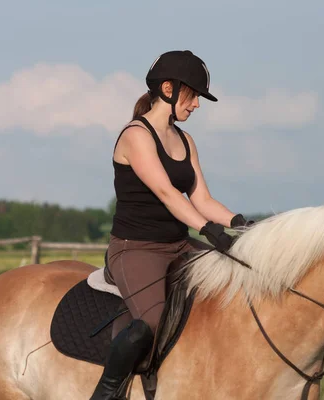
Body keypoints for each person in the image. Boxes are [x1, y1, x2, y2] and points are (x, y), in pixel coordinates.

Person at [91, 50, 252, 400]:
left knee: (233, 290)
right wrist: (208, 230)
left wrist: (239, 223)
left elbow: (202, 199)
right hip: (137, 248)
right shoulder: (135, 135)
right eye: (193, 95)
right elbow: (167, 193)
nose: (196, 105)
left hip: (179, 244)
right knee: (151, 324)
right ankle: (106, 391)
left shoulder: (185, 140)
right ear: (168, 88)